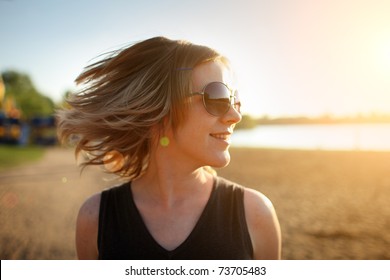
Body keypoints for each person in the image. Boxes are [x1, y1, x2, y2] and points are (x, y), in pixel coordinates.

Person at [57, 36, 281, 260]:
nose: (236, 116)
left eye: (235, 101)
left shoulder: (255, 213)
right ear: (160, 111)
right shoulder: (95, 218)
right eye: (217, 97)